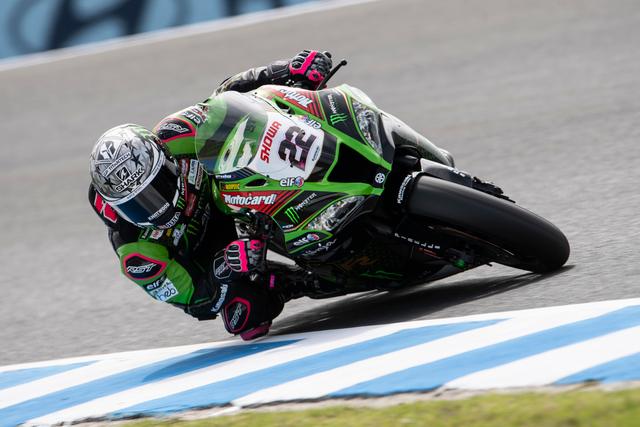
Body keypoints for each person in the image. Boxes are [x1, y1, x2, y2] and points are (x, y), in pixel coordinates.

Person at [89, 50, 456, 340]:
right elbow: (195, 300)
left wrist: (287, 71)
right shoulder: (137, 253)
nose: (154, 209)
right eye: (137, 205)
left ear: (166, 161)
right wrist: (225, 267)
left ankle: (375, 162)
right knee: (246, 316)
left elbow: (226, 97)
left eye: (156, 191)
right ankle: (301, 282)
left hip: (236, 190)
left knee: (309, 114)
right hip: (223, 254)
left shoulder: (173, 133)